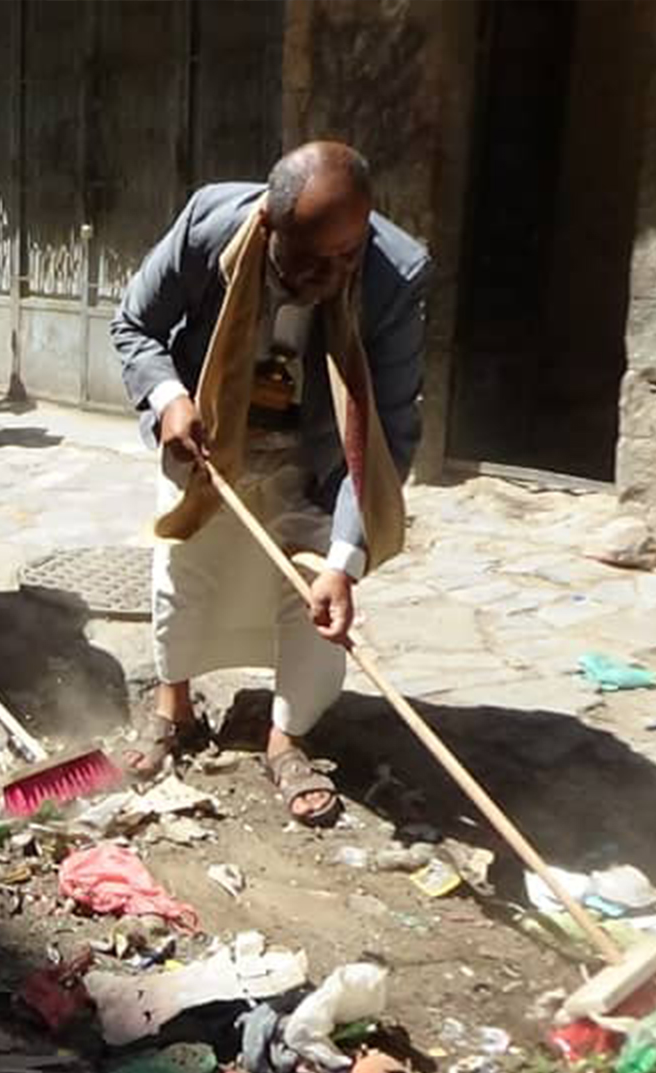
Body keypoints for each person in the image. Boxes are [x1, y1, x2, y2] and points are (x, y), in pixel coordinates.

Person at [110, 142, 428, 826]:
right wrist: (169, 398)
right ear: (269, 225)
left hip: (318, 449)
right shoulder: (209, 227)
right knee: (184, 569)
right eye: (311, 259)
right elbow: (135, 324)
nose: (331, 275)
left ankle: (287, 737)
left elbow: (387, 435)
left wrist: (346, 560)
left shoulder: (393, 277)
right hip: (209, 439)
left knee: (314, 595)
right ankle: (176, 709)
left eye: (347, 256)